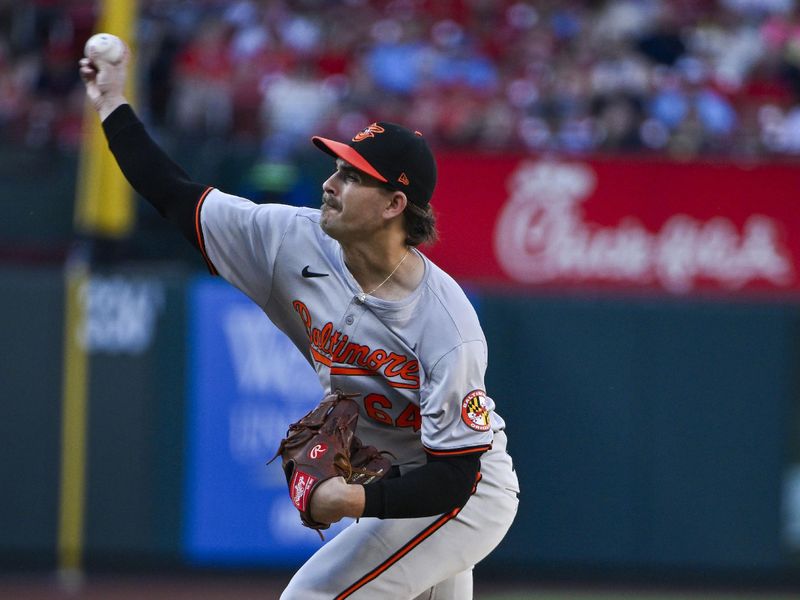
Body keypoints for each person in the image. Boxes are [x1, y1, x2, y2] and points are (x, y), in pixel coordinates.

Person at [79, 41, 519, 600]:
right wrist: (112, 101)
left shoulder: (446, 326)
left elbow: (456, 477)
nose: (331, 185)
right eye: (336, 169)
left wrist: (354, 501)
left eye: (353, 177)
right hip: (405, 482)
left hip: (465, 498)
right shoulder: (291, 239)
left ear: (393, 206)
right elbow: (173, 194)